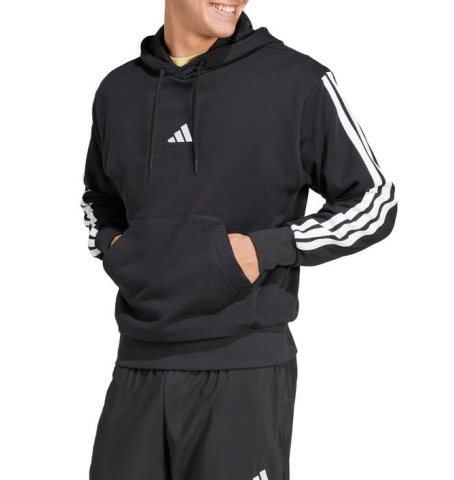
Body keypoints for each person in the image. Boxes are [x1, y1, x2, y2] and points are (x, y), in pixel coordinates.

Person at [80, 1, 398, 479]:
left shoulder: (296, 81)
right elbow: (98, 198)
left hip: (243, 370)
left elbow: (375, 200)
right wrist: (115, 248)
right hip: (137, 365)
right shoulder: (117, 90)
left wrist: (264, 249)